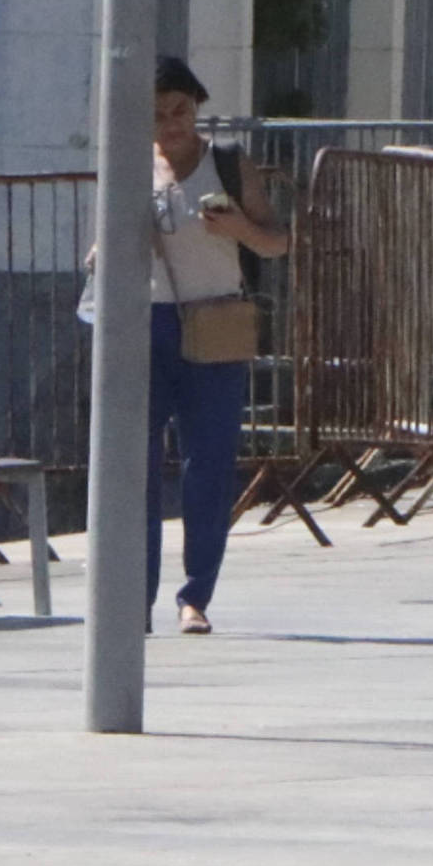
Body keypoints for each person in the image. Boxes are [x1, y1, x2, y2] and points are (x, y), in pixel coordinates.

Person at [146, 56, 288, 634]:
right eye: (157, 114)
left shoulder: (228, 164)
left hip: (218, 321)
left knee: (208, 464)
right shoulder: (131, 165)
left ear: (197, 106)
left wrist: (238, 231)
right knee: (135, 466)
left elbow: (277, 243)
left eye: (180, 109)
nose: (171, 123)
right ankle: (131, 597)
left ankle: (195, 596)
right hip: (146, 322)